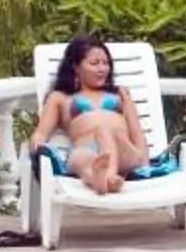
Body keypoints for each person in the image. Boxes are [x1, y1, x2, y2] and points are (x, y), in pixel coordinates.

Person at [29, 35, 153, 195]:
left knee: (103, 130)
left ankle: (108, 176)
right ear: (76, 67)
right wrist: (37, 145)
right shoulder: (60, 98)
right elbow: (41, 133)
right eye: (94, 63)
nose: (102, 68)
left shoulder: (120, 94)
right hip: (88, 152)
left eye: (105, 63)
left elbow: (136, 131)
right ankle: (99, 179)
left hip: (123, 151)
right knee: (77, 158)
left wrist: (144, 162)